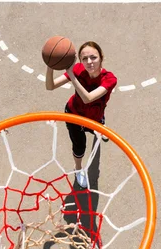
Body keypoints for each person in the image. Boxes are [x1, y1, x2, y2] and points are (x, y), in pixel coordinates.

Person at [45, 41, 117, 188]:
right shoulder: (78, 69)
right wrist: (50, 66)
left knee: (98, 123)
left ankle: (99, 127)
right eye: (84, 58)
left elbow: (88, 98)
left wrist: (71, 75)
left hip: (94, 116)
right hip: (74, 115)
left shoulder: (109, 79)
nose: (89, 62)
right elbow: (50, 86)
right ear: (79, 60)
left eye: (93, 57)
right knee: (79, 147)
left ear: (101, 57)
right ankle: (78, 169)